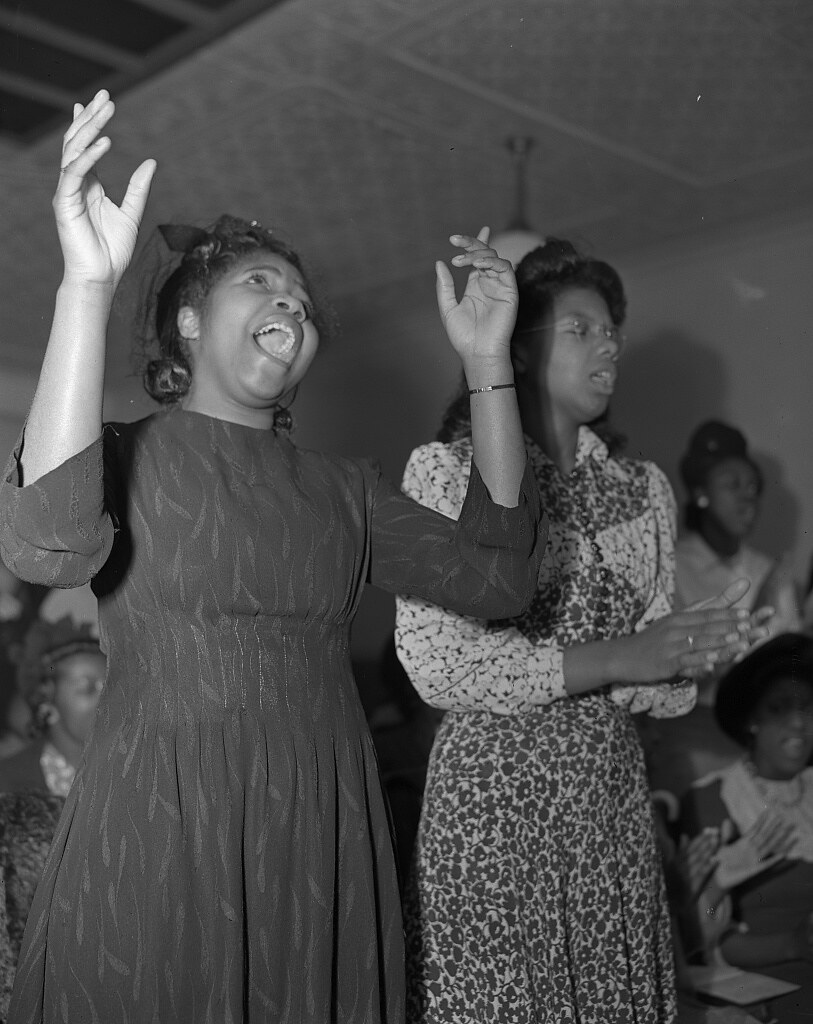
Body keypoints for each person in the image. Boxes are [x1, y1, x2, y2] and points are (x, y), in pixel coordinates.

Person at [0, 90, 545, 1023]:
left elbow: (500, 577)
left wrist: (490, 361)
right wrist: (86, 286)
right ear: (187, 324)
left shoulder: (345, 491)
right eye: (258, 282)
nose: (288, 299)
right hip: (158, 822)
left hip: (314, 830)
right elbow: (47, 543)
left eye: (298, 296)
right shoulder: (128, 454)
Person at [395, 238, 769, 1022]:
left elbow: (648, 689)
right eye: (581, 329)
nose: (609, 346)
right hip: (494, 803)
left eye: (613, 333)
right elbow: (440, 666)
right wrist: (623, 655)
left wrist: (687, 651)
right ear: (517, 351)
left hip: (608, 799)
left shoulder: (641, 489)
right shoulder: (445, 473)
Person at [646, 421, 801, 799]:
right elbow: (666, 670)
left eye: (753, 488)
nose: (748, 498)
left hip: (763, 736)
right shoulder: (671, 566)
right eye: (733, 485)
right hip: (694, 734)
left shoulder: (769, 570)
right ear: (700, 493)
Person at [680, 632, 813, 1024]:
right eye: (779, 708)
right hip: (762, 992)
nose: (798, 723)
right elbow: (698, 935)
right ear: (752, 720)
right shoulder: (713, 800)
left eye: (808, 708)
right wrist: (794, 943)